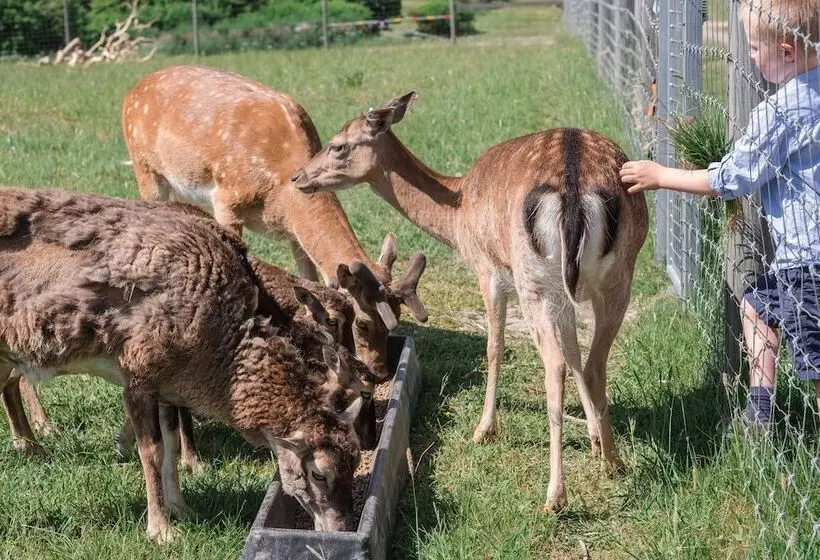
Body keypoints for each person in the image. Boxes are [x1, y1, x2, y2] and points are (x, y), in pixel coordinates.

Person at [620, 0, 820, 429]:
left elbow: (733, 178)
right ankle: (762, 411)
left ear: (787, 52)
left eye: (752, 47)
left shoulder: (781, 109)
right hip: (797, 261)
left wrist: (661, 175)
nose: (748, 55)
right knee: (759, 304)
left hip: (808, 261)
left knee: (815, 366)